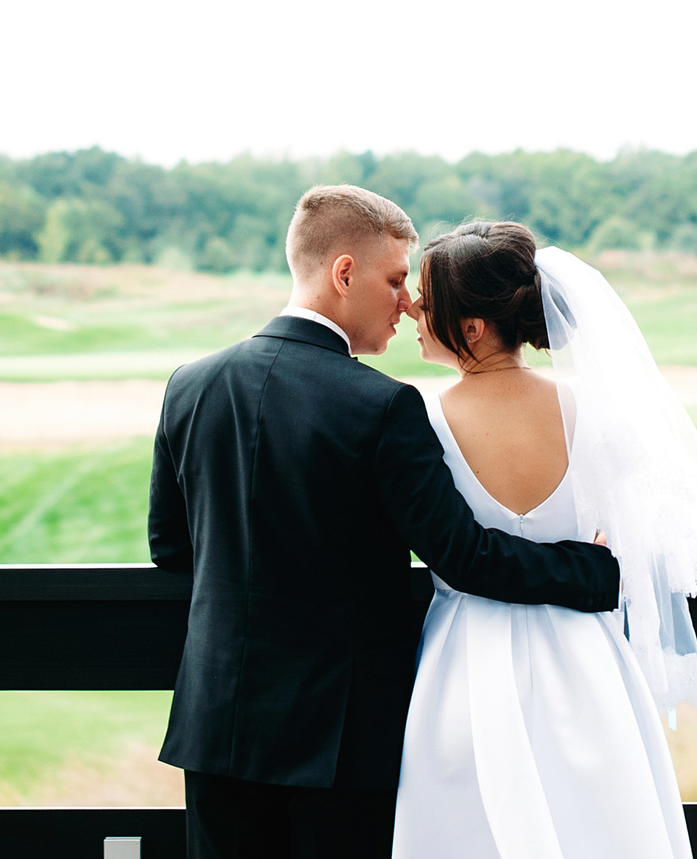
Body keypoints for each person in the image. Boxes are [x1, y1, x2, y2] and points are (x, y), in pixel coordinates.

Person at [149, 187, 621, 859]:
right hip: (340, 739)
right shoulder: (381, 406)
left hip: (217, 725)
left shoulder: (189, 384)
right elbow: (463, 554)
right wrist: (595, 569)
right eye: (397, 279)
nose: (408, 301)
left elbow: (170, 548)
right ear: (345, 273)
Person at [392, 222, 697, 859]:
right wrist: (607, 554)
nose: (414, 309)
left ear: (471, 328)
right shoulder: (594, 409)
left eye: (426, 297)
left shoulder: (420, 415)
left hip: (465, 663)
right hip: (586, 657)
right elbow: (654, 531)